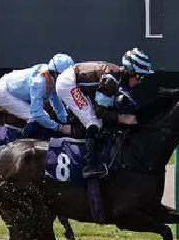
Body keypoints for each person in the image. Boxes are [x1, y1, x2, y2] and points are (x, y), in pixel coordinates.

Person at [56, 48, 153, 178]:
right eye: (139, 76)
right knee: (93, 121)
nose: (140, 80)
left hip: (75, 80)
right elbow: (99, 111)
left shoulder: (117, 79)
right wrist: (120, 118)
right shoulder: (111, 80)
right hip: (68, 83)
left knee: (99, 120)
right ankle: (90, 166)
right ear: (130, 72)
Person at [0, 53, 76, 138]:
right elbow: (37, 114)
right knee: (35, 117)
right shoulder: (40, 82)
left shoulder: (53, 78)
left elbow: (57, 104)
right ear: (55, 73)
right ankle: (18, 144)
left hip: (16, 89)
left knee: (45, 118)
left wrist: (67, 122)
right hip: (3, 92)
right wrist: (60, 128)